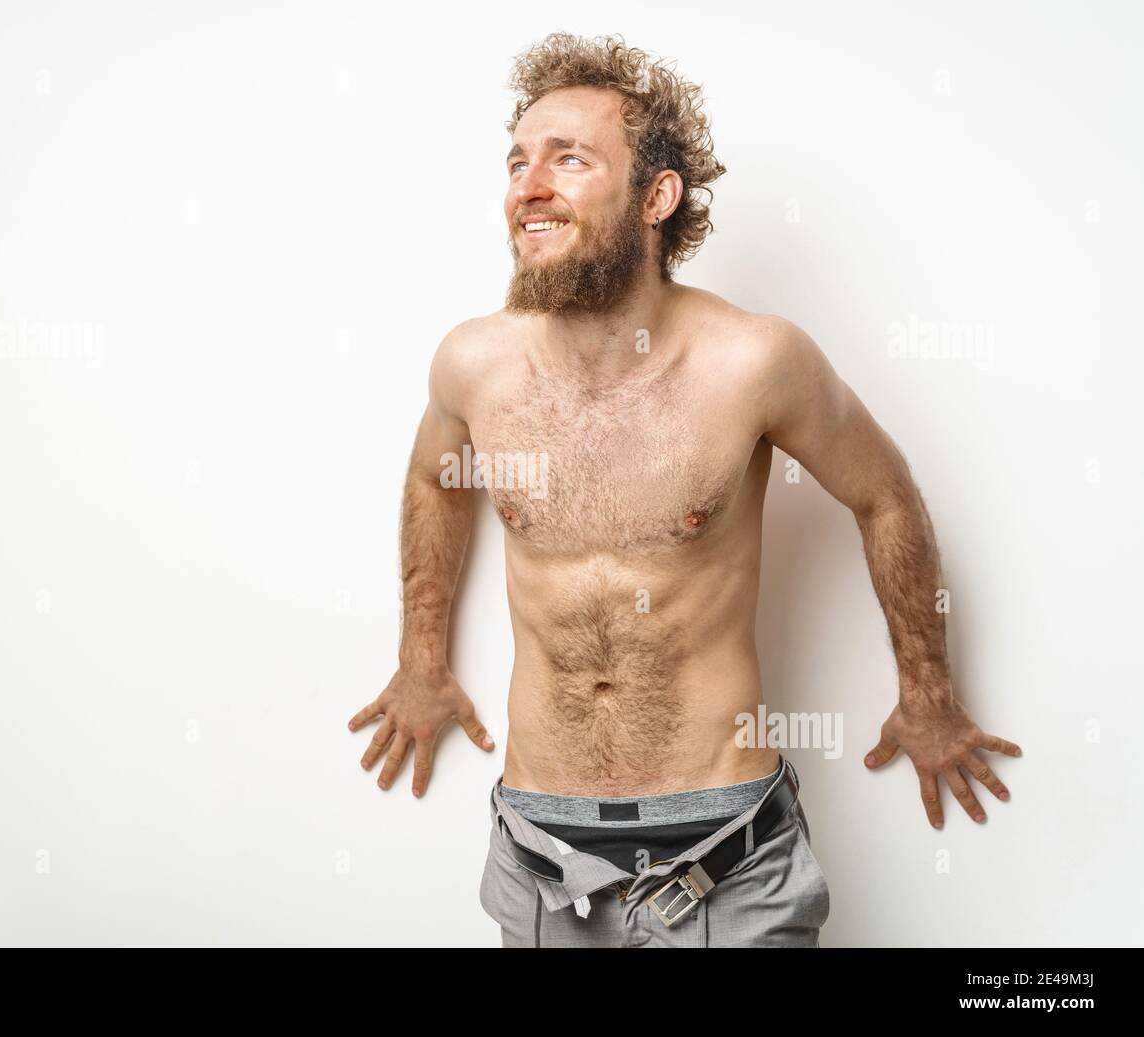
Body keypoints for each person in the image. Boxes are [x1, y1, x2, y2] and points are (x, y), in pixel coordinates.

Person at [347, 32, 1021, 947]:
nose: (527, 184)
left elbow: (885, 494)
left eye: (568, 159)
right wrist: (421, 660)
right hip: (541, 860)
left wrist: (930, 688)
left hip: (730, 858)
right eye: (517, 161)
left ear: (655, 197)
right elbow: (434, 479)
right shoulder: (473, 365)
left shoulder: (754, 361)